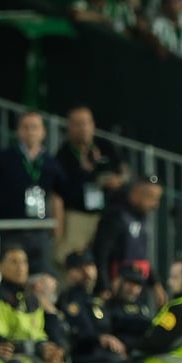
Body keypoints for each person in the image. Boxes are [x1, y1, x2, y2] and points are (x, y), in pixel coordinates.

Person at [0, 112, 67, 274]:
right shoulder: (4, 158)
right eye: (25, 127)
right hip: (11, 230)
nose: (30, 132)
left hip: (39, 231)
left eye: (34, 127)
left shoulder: (51, 162)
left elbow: (61, 193)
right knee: (12, 273)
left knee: (41, 276)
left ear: (43, 132)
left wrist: (58, 227)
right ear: (18, 131)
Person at [54, 105, 128, 273]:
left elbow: (124, 170)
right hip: (77, 215)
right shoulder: (63, 154)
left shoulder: (105, 146)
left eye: (86, 123)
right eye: (77, 124)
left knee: (106, 255)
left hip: (106, 213)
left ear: (93, 125)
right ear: (69, 127)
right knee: (71, 258)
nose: (83, 128)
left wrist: (118, 179)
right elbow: (58, 192)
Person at [90, 176, 165, 302]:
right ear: (136, 194)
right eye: (152, 198)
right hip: (115, 289)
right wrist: (104, 286)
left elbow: (141, 256)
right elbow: (101, 252)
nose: (155, 205)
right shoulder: (116, 216)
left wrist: (155, 283)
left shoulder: (141, 218)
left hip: (136, 287)